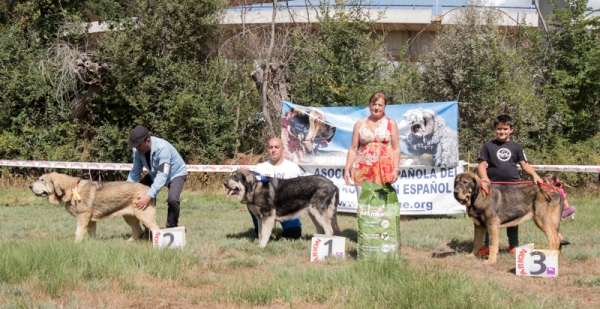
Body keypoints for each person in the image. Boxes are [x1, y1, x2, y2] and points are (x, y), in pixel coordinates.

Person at [477, 115, 543, 257]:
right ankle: (488, 246)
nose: (502, 132)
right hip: (493, 188)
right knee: (490, 217)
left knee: (513, 216)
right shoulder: (488, 146)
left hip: (513, 188)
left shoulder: (516, 146)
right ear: (494, 129)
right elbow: (482, 164)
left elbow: (524, 164)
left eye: (505, 129)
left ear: (511, 129)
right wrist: (484, 178)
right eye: (499, 129)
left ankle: (513, 246)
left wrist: (535, 176)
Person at [127, 125, 188, 229]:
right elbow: (135, 171)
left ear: (148, 141)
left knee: (172, 199)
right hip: (154, 174)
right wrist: (126, 189)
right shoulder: (137, 150)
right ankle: (149, 229)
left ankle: (171, 228)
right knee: (138, 194)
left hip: (176, 174)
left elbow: (162, 175)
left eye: (138, 145)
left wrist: (148, 196)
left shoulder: (163, 148)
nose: (136, 148)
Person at [343, 92, 401, 193]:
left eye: (380, 105)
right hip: (362, 171)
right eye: (374, 104)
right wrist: (347, 169)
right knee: (363, 205)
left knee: (381, 206)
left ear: (384, 107)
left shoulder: (391, 123)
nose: (376, 108)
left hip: (384, 171)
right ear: (369, 105)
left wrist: (395, 169)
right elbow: (353, 148)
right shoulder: (359, 124)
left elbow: (396, 149)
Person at [250, 137, 304, 239]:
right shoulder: (259, 168)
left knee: (293, 237)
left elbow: (297, 192)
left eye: (276, 147)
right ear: (268, 149)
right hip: (265, 208)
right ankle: (261, 231)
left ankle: (293, 228)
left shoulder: (293, 168)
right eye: (270, 147)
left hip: (287, 207)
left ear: (282, 149)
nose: (273, 150)